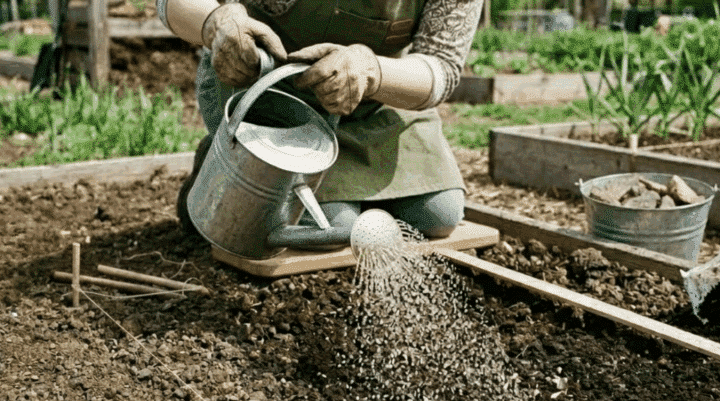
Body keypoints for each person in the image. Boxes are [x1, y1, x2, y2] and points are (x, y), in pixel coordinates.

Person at [158, 0, 483, 243]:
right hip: (271, 86)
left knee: (438, 215)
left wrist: (371, 72)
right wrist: (218, 21)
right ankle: (219, 166)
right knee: (330, 225)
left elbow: (442, 66)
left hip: (377, 91)